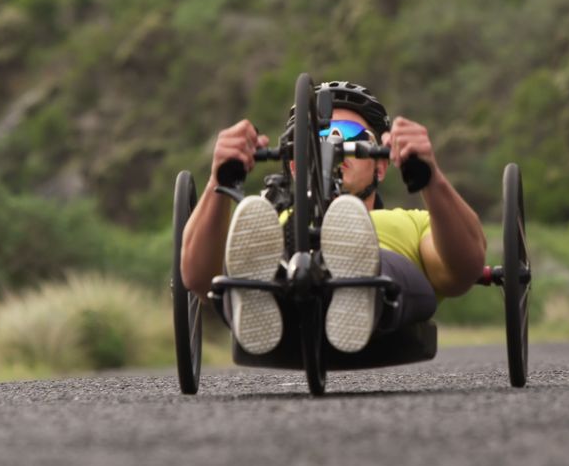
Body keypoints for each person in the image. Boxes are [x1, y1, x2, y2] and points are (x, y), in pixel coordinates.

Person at [180, 81, 486, 355]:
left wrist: (429, 176)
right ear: (294, 165)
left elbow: (461, 271)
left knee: (381, 263)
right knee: (252, 246)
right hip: (284, 280)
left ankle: (356, 277)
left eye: (349, 136)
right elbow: (198, 278)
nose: (332, 146)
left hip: (385, 285)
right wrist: (219, 179)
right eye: (317, 137)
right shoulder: (266, 220)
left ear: (380, 165)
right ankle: (261, 288)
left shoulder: (412, 222)